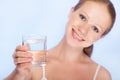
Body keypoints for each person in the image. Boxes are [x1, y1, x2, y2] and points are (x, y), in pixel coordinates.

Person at [4, 0, 116, 80]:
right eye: (83, 17)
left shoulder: (101, 76)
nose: (83, 30)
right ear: (71, 12)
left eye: (95, 29)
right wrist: (19, 74)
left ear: (100, 37)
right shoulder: (33, 63)